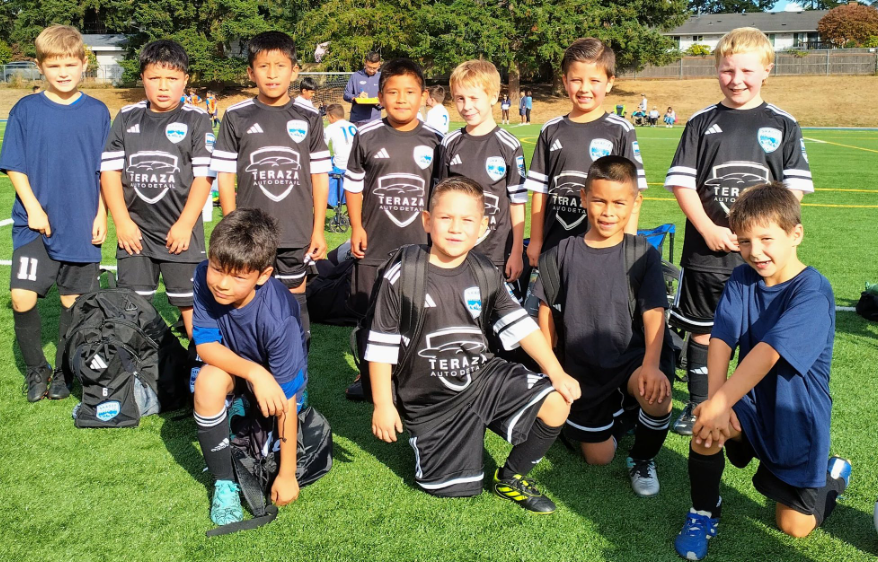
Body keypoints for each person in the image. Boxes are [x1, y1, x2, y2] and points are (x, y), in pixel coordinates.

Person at [367, 176, 581, 511]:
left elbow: (520, 324)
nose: (455, 228)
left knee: (556, 402)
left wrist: (555, 371)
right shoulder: (403, 275)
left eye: (467, 220)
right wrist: (383, 403)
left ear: (482, 227)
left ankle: (510, 477)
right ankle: (453, 439)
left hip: (482, 378)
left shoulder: (484, 271)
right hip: (431, 399)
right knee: (451, 489)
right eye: (445, 217)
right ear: (427, 220)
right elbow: (381, 346)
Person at [673, 182, 849, 561]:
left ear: (795, 234)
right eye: (745, 241)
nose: (756, 251)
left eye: (766, 239)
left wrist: (721, 400)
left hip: (796, 417)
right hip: (750, 403)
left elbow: (767, 354)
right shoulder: (742, 277)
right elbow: (722, 338)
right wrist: (714, 403)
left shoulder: (813, 293)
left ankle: (831, 477)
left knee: (794, 528)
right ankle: (703, 512)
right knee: (705, 430)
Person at [663, 27, 813, 436]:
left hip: (763, 259)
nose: (737, 79)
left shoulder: (782, 123)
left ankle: (753, 406)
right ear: (717, 70)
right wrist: (709, 228)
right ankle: (698, 406)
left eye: (747, 70)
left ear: (767, 70)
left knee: (763, 335)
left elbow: (793, 189)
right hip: (708, 254)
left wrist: (767, 239)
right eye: (727, 70)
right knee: (704, 331)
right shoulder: (701, 122)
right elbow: (682, 183)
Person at [534, 155, 674, 497]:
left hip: (631, 359)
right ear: (583, 198)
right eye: (598, 200)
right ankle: (609, 418)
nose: (608, 211)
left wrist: (652, 366)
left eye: (619, 202)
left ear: (635, 202)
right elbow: (546, 314)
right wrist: (552, 372)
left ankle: (642, 458)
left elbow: (654, 312)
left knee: (657, 397)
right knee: (600, 457)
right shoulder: (560, 253)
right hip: (583, 366)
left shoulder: (642, 253)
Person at [0, 25, 110, 402]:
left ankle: (64, 371)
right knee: (21, 296)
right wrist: (32, 207)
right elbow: (15, 164)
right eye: (53, 64)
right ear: (39, 66)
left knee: (71, 302)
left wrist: (102, 215)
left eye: (70, 63)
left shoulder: (97, 113)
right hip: (35, 225)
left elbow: (105, 173)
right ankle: (36, 370)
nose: (62, 72)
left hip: (81, 223)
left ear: (83, 64)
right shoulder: (26, 109)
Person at [210, 31, 331, 346]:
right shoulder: (236, 116)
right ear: (251, 72)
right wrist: (231, 225)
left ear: (294, 70)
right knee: (246, 296)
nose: (272, 73)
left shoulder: (309, 117)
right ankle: (245, 370)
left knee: (294, 298)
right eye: (264, 66)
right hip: (249, 233)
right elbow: (224, 174)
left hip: (295, 231)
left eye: (280, 65)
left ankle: (296, 373)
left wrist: (318, 230)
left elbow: (319, 177)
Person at [191, 208, 309, 526]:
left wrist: (287, 475)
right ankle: (224, 482)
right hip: (240, 369)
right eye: (217, 269)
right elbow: (205, 345)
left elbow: (285, 398)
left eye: (238, 276)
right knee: (206, 382)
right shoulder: (204, 276)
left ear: (263, 275)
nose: (222, 284)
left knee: (287, 410)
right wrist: (255, 373)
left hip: (279, 379)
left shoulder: (279, 317)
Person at [342, 58, 444, 400]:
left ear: (424, 96)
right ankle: (369, 377)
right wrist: (356, 226)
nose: (401, 99)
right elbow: (354, 187)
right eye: (393, 92)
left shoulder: (436, 140)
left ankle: (407, 375)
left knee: (415, 313)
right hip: (373, 244)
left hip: (418, 246)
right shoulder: (366, 135)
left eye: (410, 92)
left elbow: (441, 196)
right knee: (367, 313)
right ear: (380, 97)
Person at [100, 40, 214, 340]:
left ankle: (201, 375)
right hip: (135, 236)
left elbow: (204, 177)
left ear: (186, 80)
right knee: (130, 311)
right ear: (142, 78)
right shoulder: (126, 117)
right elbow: (110, 172)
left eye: (172, 79)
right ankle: (133, 378)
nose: (163, 87)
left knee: (192, 310)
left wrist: (185, 224)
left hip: (181, 234)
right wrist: (122, 223)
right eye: (154, 78)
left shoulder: (197, 119)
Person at [524, 37, 647, 266]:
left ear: (610, 83)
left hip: (604, 247)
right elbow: (540, 191)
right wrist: (536, 240)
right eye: (576, 80)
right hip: (555, 245)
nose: (584, 88)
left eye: (594, 80)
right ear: (564, 81)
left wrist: (628, 243)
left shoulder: (621, 130)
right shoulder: (551, 129)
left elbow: (632, 194)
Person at [434, 59, 526, 283]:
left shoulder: (509, 145)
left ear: (493, 96)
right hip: (455, 249)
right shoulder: (449, 143)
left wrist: (516, 252)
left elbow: (517, 202)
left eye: (474, 98)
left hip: (495, 252)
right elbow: (439, 200)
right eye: (460, 98)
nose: (467, 106)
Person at [343, 51, 382, 126]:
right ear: (365, 63)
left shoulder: (382, 78)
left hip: (375, 121)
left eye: (374, 68)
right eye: (369, 67)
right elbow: (346, 95)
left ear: (379, 65)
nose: (371, 70)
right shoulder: (355, 76)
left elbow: (387, 99)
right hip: (357, 120)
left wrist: (379, 102)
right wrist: (356, 97)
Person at [324, 103, 357, 173]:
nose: (328, 119)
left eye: (328, 117)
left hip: (340, 165)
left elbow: (322, 146)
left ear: (332, 116)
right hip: (356, 164)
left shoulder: (330, 127)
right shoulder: (353, 126)